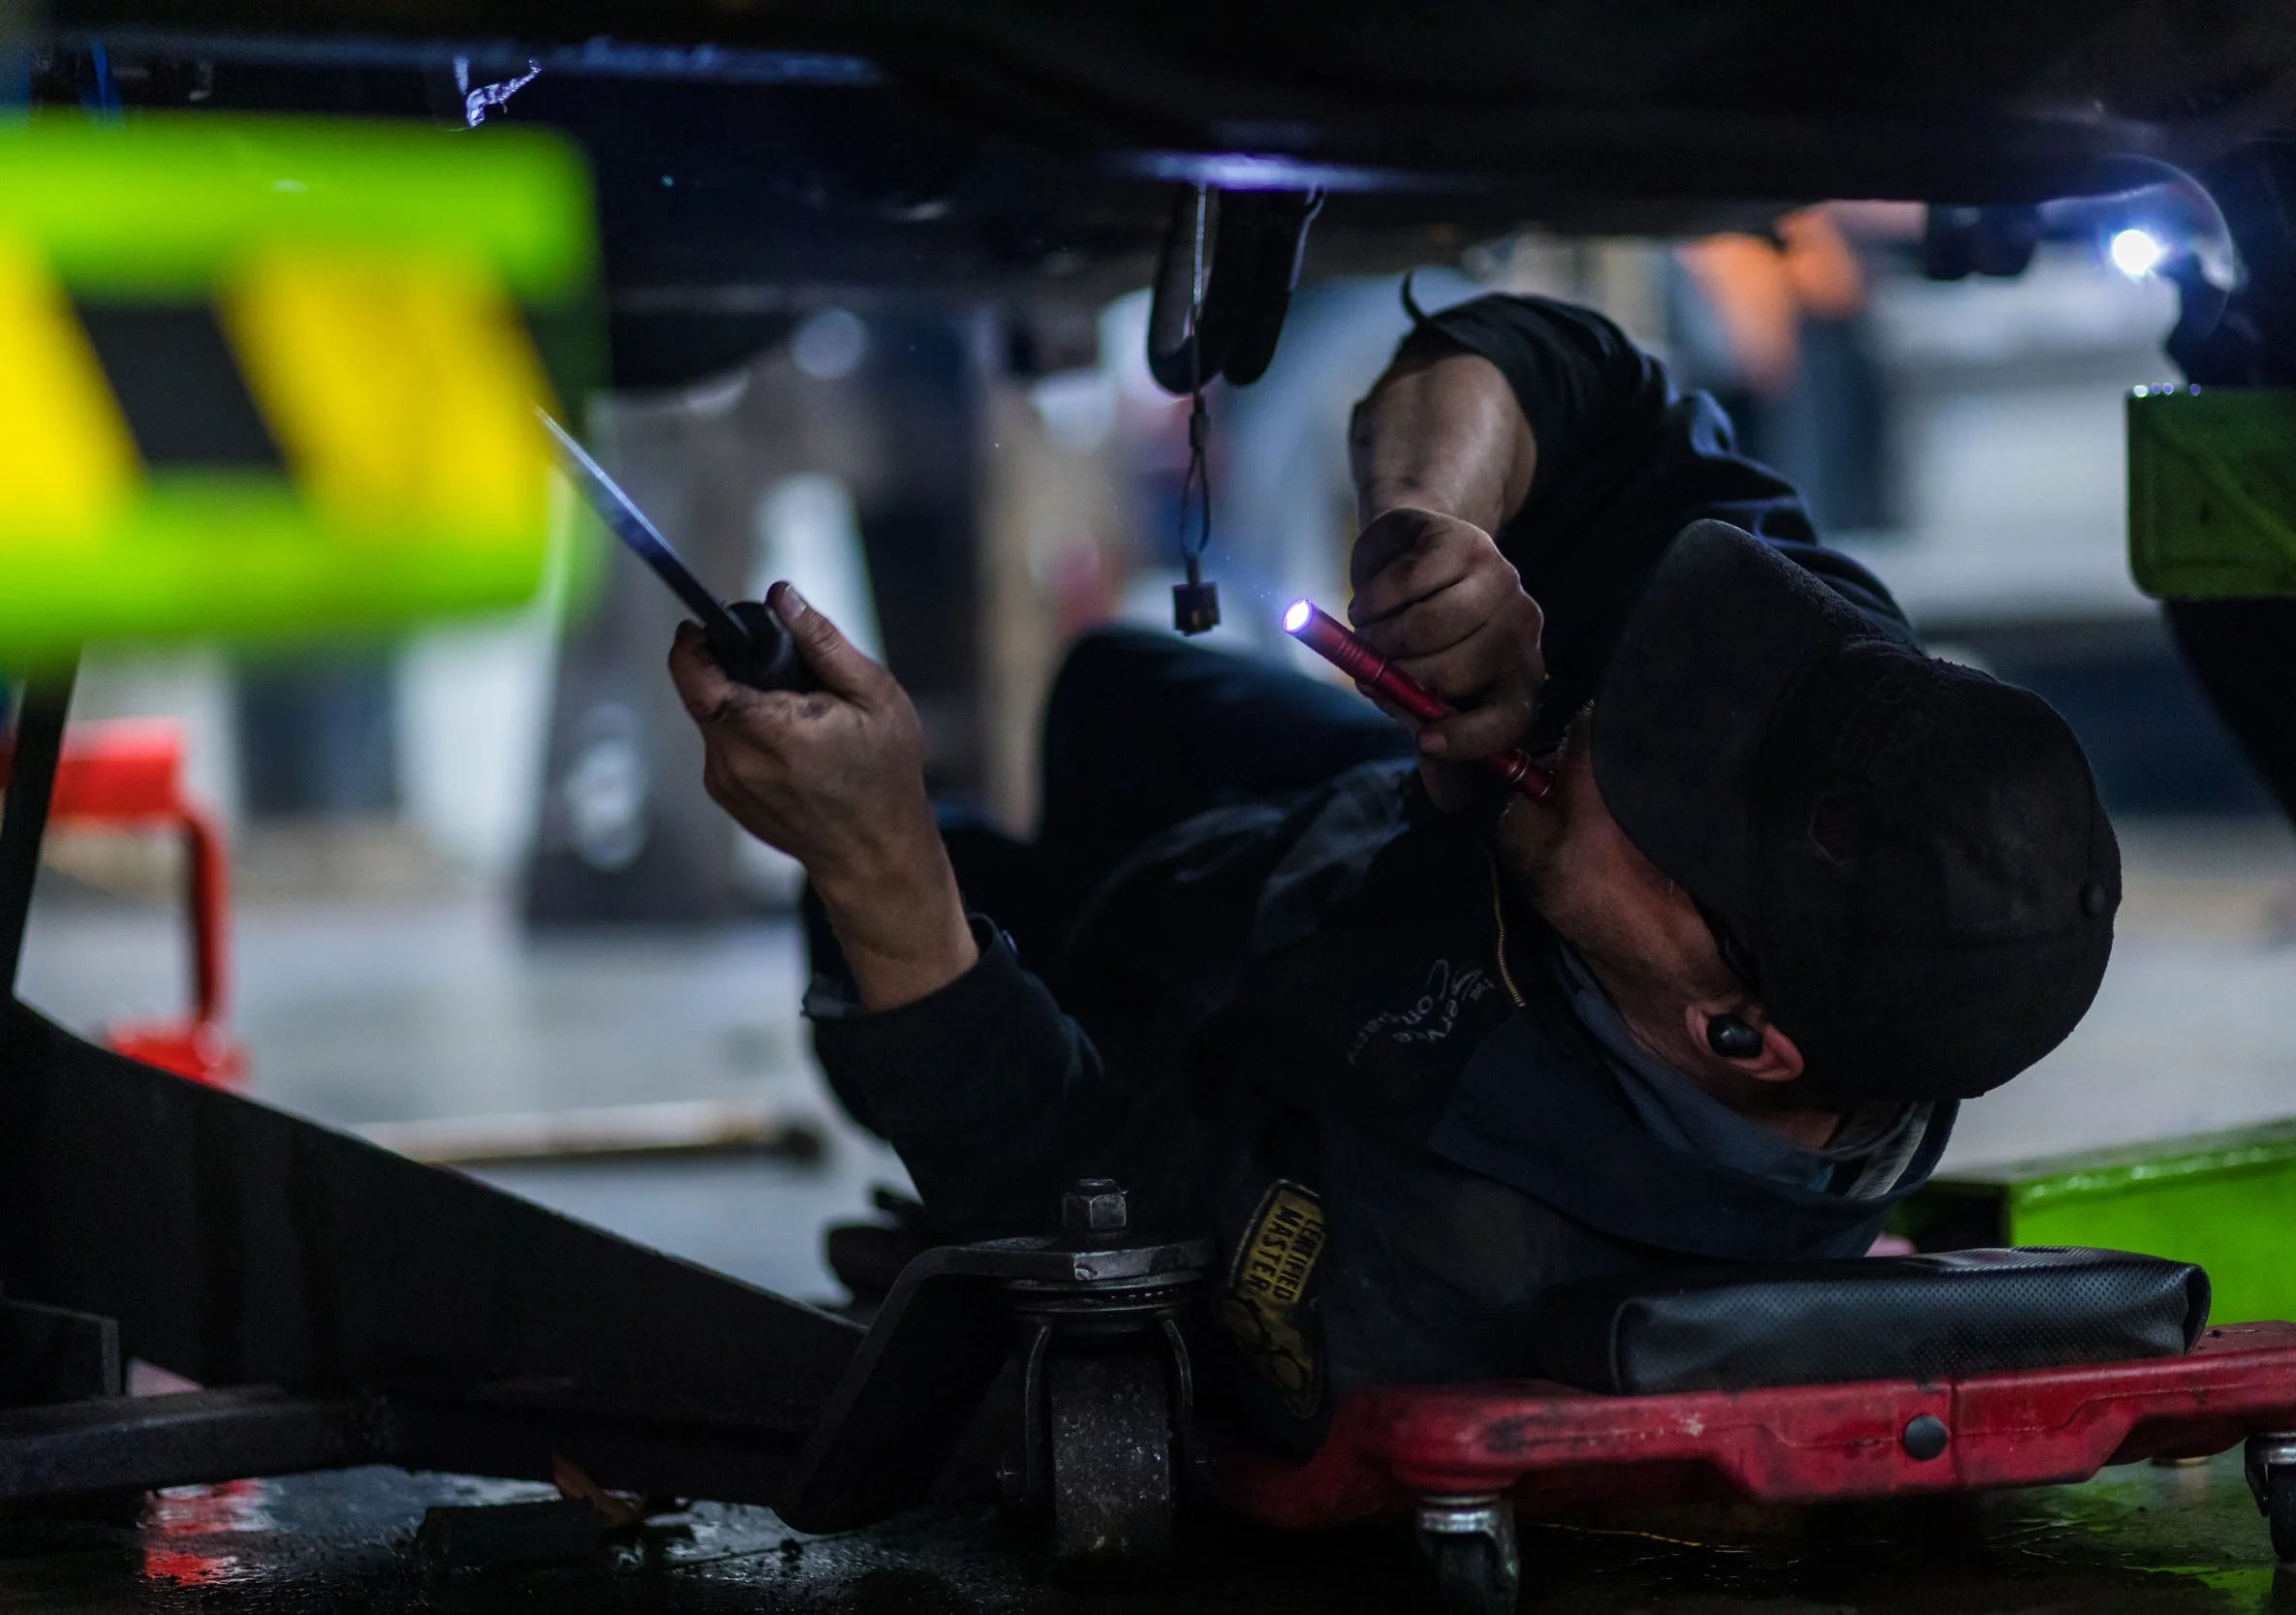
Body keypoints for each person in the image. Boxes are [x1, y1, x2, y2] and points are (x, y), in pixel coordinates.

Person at [668, 294, 2120, 1453]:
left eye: (1653, 775)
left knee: (883, 915)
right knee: (1118, 688)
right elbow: (1569, 368)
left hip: (1164, 1036)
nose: (1604, 712)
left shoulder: (1457, 1266)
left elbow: (1075, 1231)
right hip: (1316, 848)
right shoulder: (1828, 690)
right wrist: (1439, 518)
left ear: (1735, 1031)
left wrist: (884, 869)